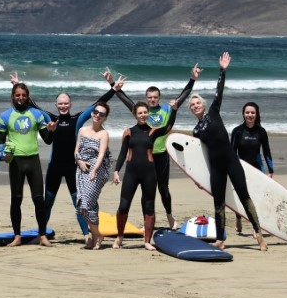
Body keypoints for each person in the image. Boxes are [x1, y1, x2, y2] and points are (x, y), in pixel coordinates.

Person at [10, 71, 116, 243]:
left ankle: (86, 235)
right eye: (60, 103)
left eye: (66, 103)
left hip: (73, 168)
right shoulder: (51, 119)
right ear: (56, 104)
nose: (63, 106)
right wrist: (16, 83)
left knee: (79, 204)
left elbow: (97, 104)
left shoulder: (77, 119)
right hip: (55, 167)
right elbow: (31, 104)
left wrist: (113, 87)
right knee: (47, 203)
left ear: (70, 104)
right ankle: (42, 234)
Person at [103, 65, 200, 229]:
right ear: (146, 99)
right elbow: (125, 98)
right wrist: (112, 82)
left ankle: (170, 216)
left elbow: (183, 97)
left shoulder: (167, 109)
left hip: (161, 155)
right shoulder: (142, 112)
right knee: (147, 191)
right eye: (150, 97)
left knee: (163, 188)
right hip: (145, 157)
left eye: (155, 97)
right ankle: (147, 222)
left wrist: (192, 79)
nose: (153, 100)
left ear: (159, 97)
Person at [188, 52, 268, 251]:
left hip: (231, 161)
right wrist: (198, 178)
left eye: (197, 103)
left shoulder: (214, 111)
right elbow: (200, 156)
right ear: (190, 110)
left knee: (244, 195)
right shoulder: (196, 131)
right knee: (218, 202)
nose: (195, 105)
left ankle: (259, 234)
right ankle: (221, 238)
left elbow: (219, 91)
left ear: (203, 106)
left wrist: (222, 71)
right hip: (216, 167)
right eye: (192, 105)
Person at [112, 99, 182, 251]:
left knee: (149, 206)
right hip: (131, 173)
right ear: (135, 115)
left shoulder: (153, 131)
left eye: (145, 112)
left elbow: (168, 127)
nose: (143, 115)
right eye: (140, 113)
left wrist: (174, 110)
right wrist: (116, 171)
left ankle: (147, 241)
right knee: (123, 205)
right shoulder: (129, 132)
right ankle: (119, 237)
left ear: (148, 114)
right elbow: (123, 153)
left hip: (149, 174)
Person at [0, 82, 56, 246]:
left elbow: (48, 140)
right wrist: (1, 154)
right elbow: (1, 142)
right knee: (16, 200)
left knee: (39, 199)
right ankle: (17, 236)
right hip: (16, 162)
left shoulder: (37, 115)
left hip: (33, 160)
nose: (21, 98)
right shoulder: (5, 116)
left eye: (23, 95)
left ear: (27, 96)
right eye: (17, 95)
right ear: (13, 96)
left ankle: (42, 235)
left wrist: (52, 130)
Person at [230, 101, 274, 232]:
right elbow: (232, 153)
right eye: (247, 112)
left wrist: (271, 171)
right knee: (240, 196)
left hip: (257, 169)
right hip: (241, 168)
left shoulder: (261, 132)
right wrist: (232, 169)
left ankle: (259, 226)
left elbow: (267, 152)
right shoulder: (237, 131)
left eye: (252, 112)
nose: (250, 115)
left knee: (258, 197)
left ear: (257, 114)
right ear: (243, 114)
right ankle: (238, 217)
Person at [74, 102, 111, 250]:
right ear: (91, 113)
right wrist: (80, 161)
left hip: (97, 170)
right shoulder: (82, 130)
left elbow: (101, 155)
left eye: (101, 114)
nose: (97, 115)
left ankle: (97, 235)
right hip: (81, 168)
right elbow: (76, 150)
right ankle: (97, 235)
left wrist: (94, 170)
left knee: (87, 203)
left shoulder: (104, 133)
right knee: (81, 206)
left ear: (104, 118)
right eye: (96, 112)